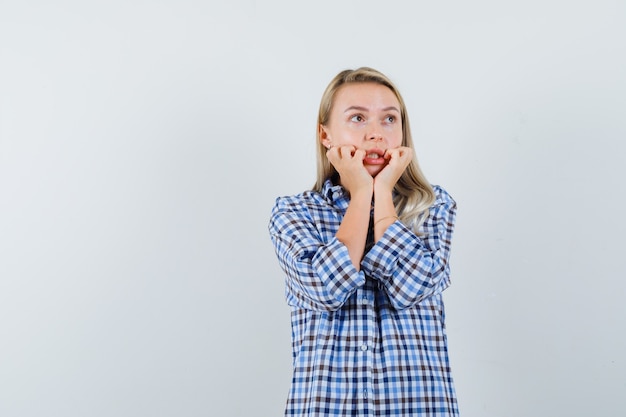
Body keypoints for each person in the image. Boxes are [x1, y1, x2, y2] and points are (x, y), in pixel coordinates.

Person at [268, 67, 459, 416]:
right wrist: (360, 196)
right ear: (325, 134)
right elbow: (326, 289)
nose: (376, 134)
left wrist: (382, 192)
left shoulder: (433, 206)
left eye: (389, 120)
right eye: (358, 118)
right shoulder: (294, 213)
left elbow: (412, 288)